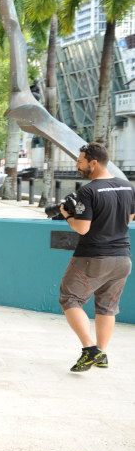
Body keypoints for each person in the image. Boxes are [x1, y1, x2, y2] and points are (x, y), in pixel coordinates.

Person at [58, 142, 134, 372]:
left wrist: (66, 215)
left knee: (69, 299)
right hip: (122, 258)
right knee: (107, 307)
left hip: (93, 257)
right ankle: (101, 353)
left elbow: (82, 228)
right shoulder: (127, 186)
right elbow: (129, 217)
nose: (77, 165)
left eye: (80, 161)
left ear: (93, 162)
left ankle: (90, 349)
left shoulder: (88, 191)